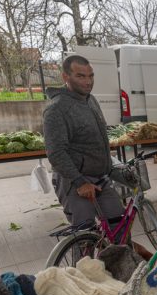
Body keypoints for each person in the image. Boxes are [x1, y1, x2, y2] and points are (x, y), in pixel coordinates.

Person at [43, 55, 124, 228]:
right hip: (75, 182)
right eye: (80, 76)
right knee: (85, 233)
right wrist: (80, 182)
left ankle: (114, 247)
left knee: (119, 227)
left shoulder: (90, 100)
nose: (88, 82)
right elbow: (56, 153)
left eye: (91, 76)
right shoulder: (57, 109)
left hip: (101, 179)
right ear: (65, 77)